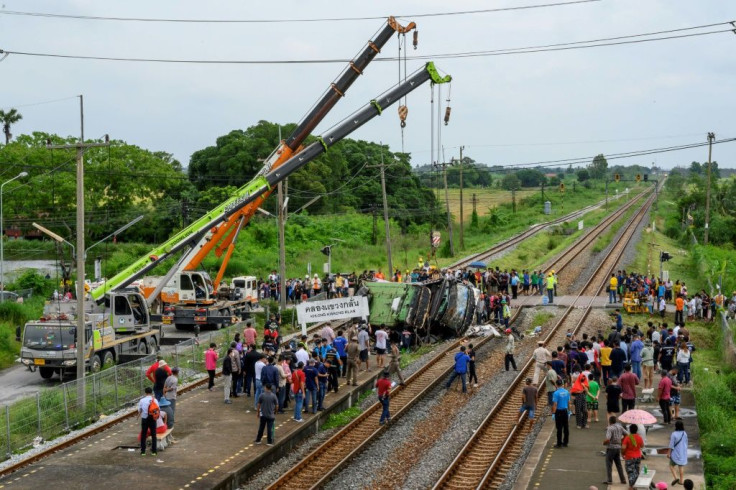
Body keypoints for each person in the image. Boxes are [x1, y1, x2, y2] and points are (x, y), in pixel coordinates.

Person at [603, 415, 627, 485]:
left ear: (610, 421)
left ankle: (609, 480)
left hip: (611, 448)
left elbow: (607, 439)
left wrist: (603, 443)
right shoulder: (620, 427)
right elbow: (627, 434)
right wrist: (621, 439)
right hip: (618, 447)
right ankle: (623, 479)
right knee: (618, 464)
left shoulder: (610, 428)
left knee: (609, 464)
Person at [622, 423, 645, 490]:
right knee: (636, 470)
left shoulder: (628, 437)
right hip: (638, 456)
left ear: (630, 430)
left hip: (629, 457)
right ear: (636, 430)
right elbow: (642, 446)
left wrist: (622, 453)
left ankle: (631, 486)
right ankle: (636, 485)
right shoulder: (639, 437)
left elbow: (623, 447)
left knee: (630, 472)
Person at [137, 387, 158, 456]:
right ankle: (154, 451)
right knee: (153, 434)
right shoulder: (154, 400)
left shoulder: (142, 400)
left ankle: (143, 451)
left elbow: (139, 410)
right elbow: (158, 409)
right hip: (152, 419)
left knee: (144, 434)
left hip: (145, 419)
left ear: (145, 393)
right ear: (151, 392)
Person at [668, 420, 688, 486]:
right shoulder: (684, 433)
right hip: (682, 453)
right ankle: (682, 481)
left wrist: (668, 453)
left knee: (671, 465)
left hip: (675, 453)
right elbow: (686, 443)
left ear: (676, 426)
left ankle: (676, 478)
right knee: (681, 466)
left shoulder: (674, 434)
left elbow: (671, 445)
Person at [551, 379, 570, 448]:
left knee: (559, 428)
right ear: (562, 384)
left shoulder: (556, 393)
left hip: (559, 412)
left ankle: (559, 443)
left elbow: (555, 404)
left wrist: (553, 413)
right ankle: (565, 442)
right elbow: (568, 402)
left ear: (556, 385)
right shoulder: (566, 392)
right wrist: (569, 411)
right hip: (565, 411)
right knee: (566, 427)